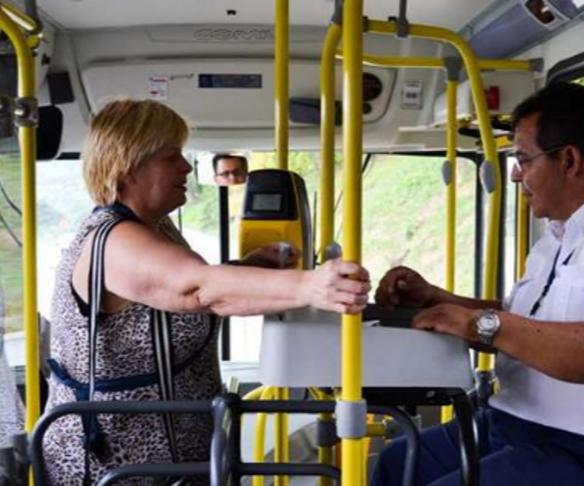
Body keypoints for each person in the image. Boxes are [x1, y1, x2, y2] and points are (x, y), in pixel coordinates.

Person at [371, 83, 584, 486]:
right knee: (395, 464)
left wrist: (479, 323)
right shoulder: (558, 234)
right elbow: (525, 325)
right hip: (513, 422)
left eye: (522, 159)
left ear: (569, 160)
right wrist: (440, 302)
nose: (516, 174)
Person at [42, 99, 370, 485]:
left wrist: (249, 267)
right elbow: (196, 289)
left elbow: (176, 291)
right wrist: (311, 285)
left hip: (172, 464)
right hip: (115, 467)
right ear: (127, 166)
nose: (185, 167)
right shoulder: (114, 239)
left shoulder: (153, 227)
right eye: (171, 156)